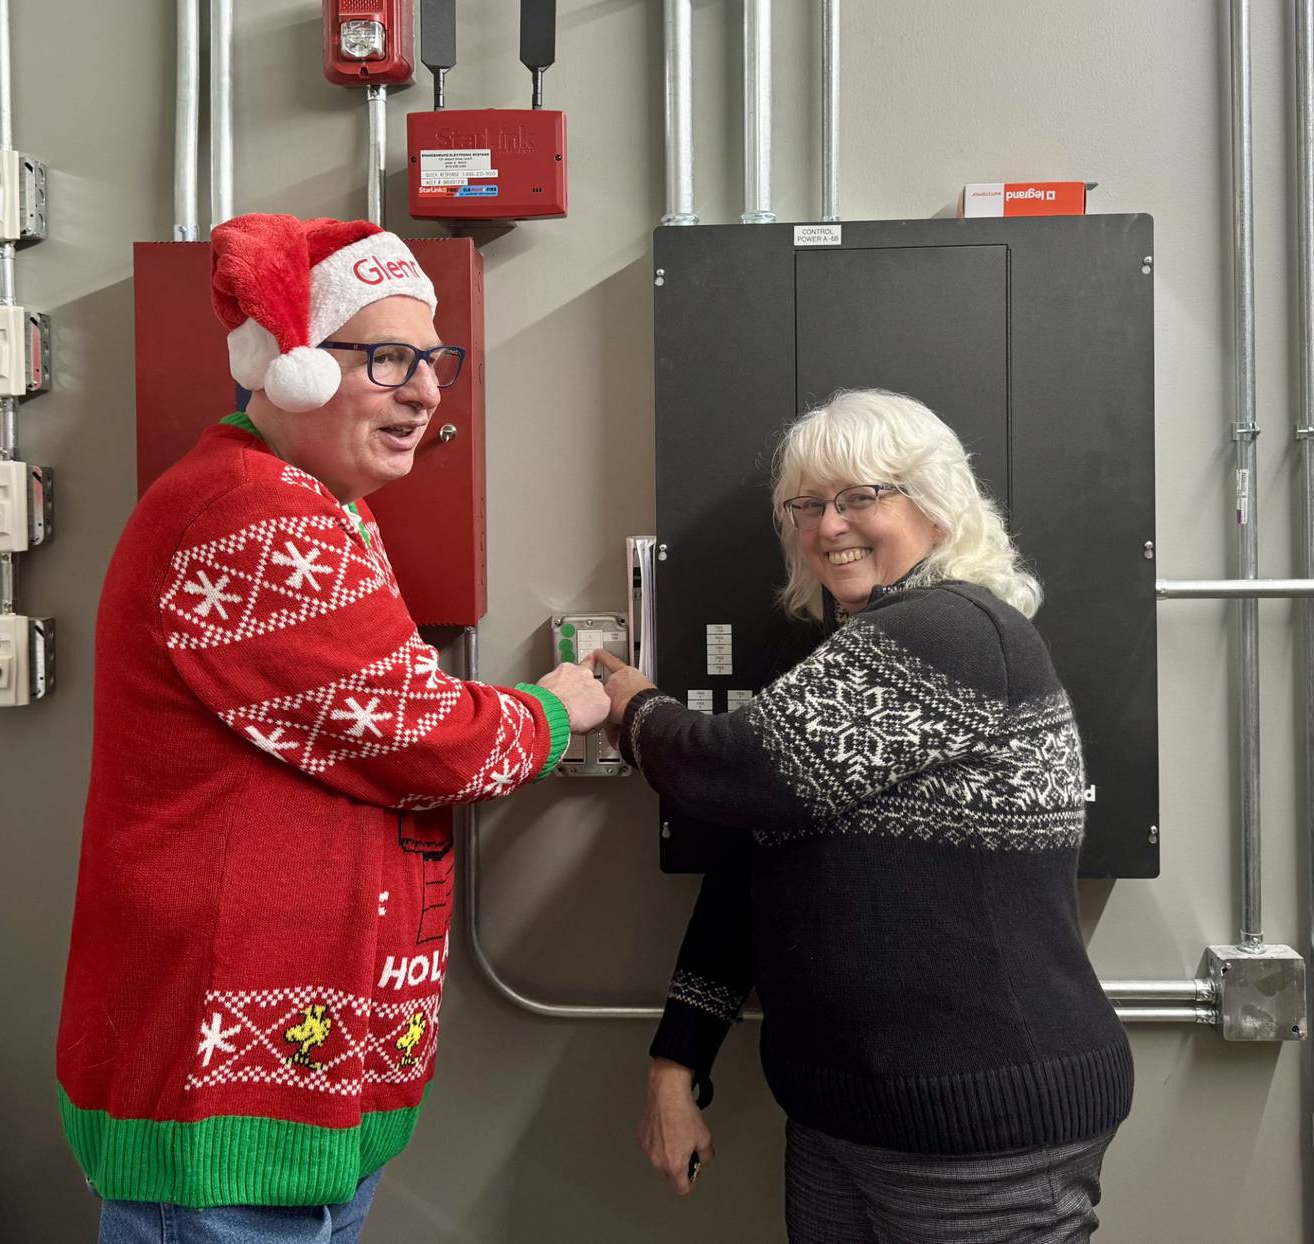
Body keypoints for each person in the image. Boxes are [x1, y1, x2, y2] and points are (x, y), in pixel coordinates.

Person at [56, 213, 608, 1243]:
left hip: (286, 1086)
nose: (426, 389)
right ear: (291, 366)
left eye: (434, 359)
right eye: (388, 356)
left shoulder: (312, 505)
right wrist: (558, 708)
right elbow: (436, 740)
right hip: (226, 1101)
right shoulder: (250, 516)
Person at [598, 389, 1132, 1243]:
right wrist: (678, 1059)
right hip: (843, 1118)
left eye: (860, 497)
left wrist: (630, 706)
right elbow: (748, 864)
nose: (828, 526)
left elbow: (737, 772)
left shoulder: (952, 628)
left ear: (934, 502)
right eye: (808, 505)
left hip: (976, 1131)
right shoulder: (842, 658)